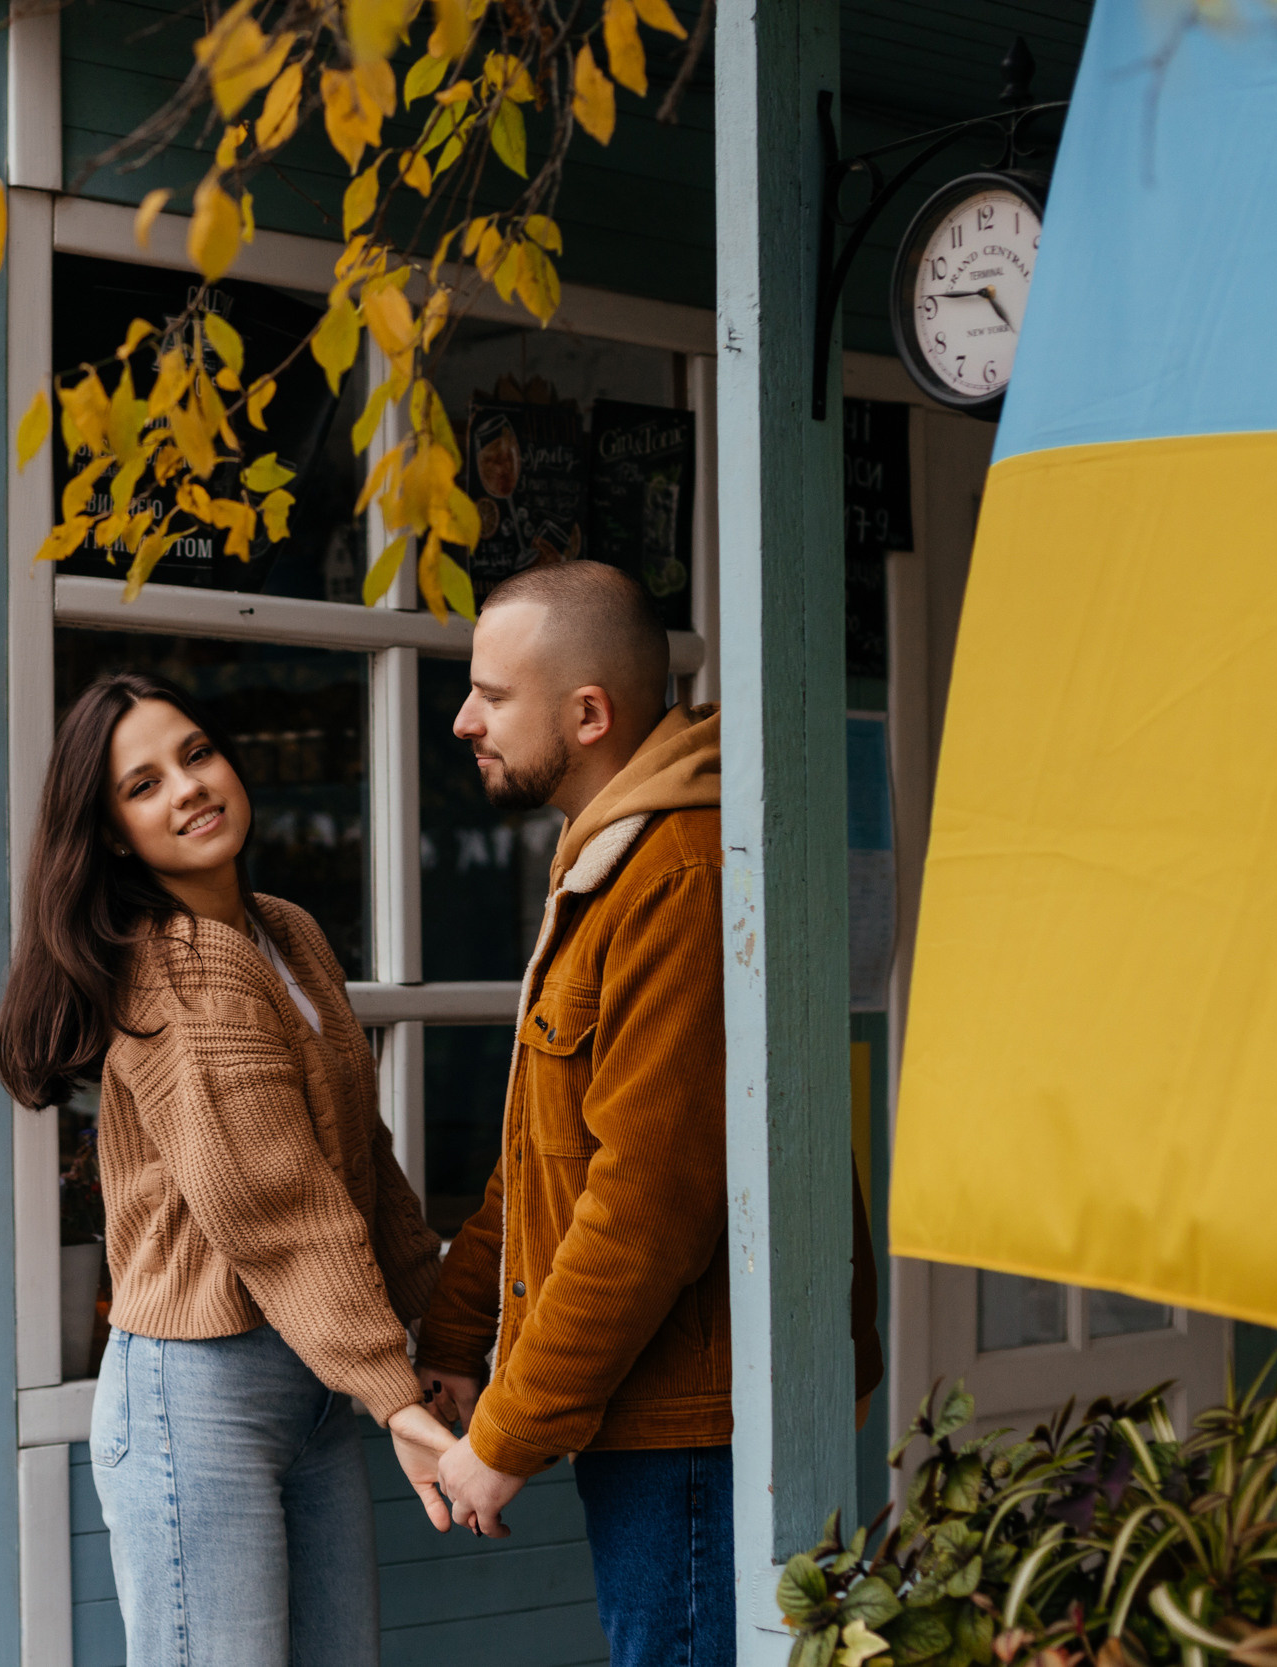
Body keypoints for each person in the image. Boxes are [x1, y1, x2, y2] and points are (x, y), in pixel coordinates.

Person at [415, 563, 884, 1666]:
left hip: (695, 1429)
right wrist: (451, 1332)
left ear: (589, 714)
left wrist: (509, 1431)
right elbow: (540, 1152)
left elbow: (643, 1207)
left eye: (492, 693)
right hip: (653, 1417)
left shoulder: (676, 872)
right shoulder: (613, 857)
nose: (462, 718)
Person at [0, 671, 459, 1667]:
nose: (188, 787)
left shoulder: (281, 929)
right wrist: (397, 1394)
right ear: (113, 831)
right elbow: (276, 1206)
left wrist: (441, 1323)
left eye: (196, 753)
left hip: (316, 1381)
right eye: (143, 783)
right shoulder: (173, 968)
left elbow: (357, 1158)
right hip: (199, 1392)